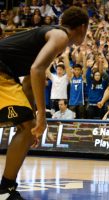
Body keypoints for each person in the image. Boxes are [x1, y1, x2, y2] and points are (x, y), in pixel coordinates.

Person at [0, 7, 88, 199]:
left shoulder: (53, 37)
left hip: (6, 76)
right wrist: (40, 117)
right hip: (2, 73)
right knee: (28, 127)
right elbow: (37, 70)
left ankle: (6, 189)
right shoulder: (60, 36)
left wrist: (29, 120)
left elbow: (29, 84)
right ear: (82, 27)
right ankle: (5, 190)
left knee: (27, 127)